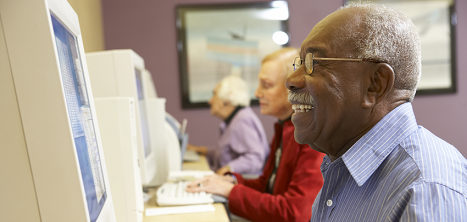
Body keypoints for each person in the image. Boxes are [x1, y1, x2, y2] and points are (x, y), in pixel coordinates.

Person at [286, 3, 467, 221]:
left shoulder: (423, 189)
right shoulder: (344, 168)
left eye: (313, 63)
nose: (291, 81)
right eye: (300, 64)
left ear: (375, 84)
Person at [187, 48, 325, 222]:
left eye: (266, 85)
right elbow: (267, 186)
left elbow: (295, 213)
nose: (257, 93)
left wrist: (231, 191)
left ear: (296, 87)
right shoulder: (285, 128)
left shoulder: (313, 138)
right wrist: (233, 182)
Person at [188, 75, 270, 175]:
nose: (210, 101)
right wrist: (199, 150)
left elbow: (255, 158)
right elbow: (227, 153)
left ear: (226, 100)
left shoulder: (242, 120)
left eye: (214, 94)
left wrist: (228, 168)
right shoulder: (234, 119)